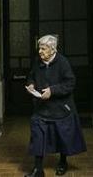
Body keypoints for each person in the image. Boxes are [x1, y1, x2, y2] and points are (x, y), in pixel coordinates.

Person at [24, 34, 86, 176]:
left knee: (62, 137)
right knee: (37, 137)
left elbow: (70, 83)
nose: (40, 52)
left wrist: (52, 91)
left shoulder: (62, 62)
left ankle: (63, 162)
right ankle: (38, 169)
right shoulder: (37, 62)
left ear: (53, 50)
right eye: (39, 48)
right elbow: (31, 76)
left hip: (60, 108)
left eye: (43, 49)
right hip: (41, 108)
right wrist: (31, 84)